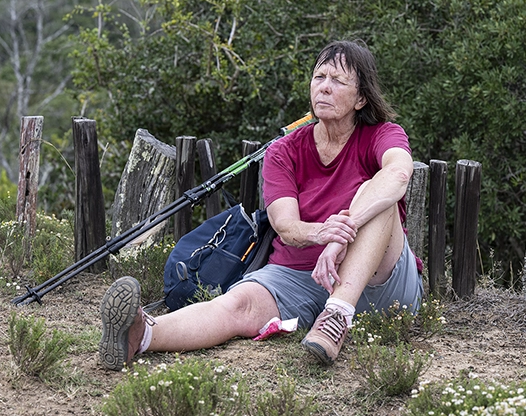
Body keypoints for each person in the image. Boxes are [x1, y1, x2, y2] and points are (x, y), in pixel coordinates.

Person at [98, 39, 424, 370]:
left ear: (361, 98)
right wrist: (323, 234)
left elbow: (398, 173)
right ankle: (141, 333)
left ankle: (337, 314)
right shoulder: (284, 151)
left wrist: (343, 235)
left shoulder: (382, 135)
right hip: (302, 274)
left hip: (380, 283)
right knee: (237, 304)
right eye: (319, 77)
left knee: (378, 193)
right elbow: (286, 225)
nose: (324, 88)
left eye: (337, 81)